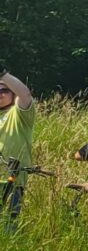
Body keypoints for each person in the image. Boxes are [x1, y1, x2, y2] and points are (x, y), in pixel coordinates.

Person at [0, 70, 37, 228]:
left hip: (13, 178)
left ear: (12, 93)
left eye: (4, 90)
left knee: (9, 224)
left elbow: (25, 95)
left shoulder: (19, 114)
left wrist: (3, 74)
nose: (0, 94)